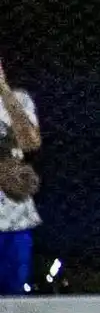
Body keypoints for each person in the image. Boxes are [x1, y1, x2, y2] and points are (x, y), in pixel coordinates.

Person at [0, 56, 41, 295]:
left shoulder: (19, 98)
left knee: (13, 296)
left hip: (13, 219)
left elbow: (30, 143)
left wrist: (4, 91)